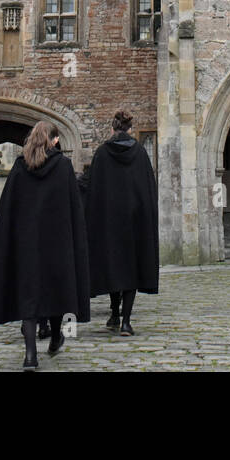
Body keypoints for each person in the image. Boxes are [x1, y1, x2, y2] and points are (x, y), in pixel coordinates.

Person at [0, 121, 90, 370]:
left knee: (29, 294)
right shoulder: (63, 166)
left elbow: (8, 209)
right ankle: (56, 337)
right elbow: (73, 206)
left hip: (27, 243)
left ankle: (30, 355)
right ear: (54, 141)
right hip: (58, 240)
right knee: (57, 289)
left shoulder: (20, 167)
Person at [81, 110, 159, 336]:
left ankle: (115, 313)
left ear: (113, 129)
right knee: (131, 270)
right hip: (135, 222)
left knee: (114, 267)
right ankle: (125, 320)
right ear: (129, 130)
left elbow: (92, 188)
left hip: (109, 223)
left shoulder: (103, 154)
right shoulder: (140, 153)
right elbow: (147, 190)